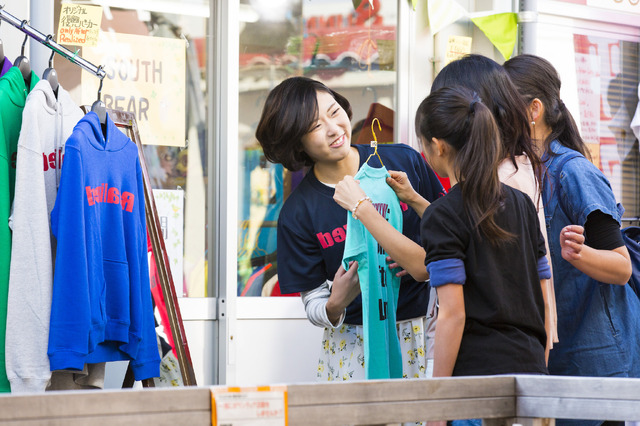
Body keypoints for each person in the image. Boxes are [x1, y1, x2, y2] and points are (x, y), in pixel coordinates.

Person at [335, 85, 550, 426]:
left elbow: (453, 315)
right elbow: (544, 291)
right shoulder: (520, 203)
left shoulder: (446, 214)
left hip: (475, 382)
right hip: (530, 370)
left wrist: (438, 401)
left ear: (437, 146)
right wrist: (416, 199)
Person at [254, 76, 444, 381]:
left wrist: (428, 259)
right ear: (296, 141)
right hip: (353, 345)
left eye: (333, 112)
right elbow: (314, 304)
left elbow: (452, 236)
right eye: (314, 127)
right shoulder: (298, 212)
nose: (333, 129)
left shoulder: (402, 162)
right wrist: (335, 301)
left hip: (422, 333)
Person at [504, 54, 639, 425]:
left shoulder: (571, 172)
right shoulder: (520, 171)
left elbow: (621, 266)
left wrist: (578, 254)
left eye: (501, 105)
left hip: (597, 364)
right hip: (554, 361)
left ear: (534, 109)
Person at [429, 54, 557, 360]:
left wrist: (366, 211)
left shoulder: (503, 181)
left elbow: (491, 270)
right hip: (521, 354)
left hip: (488, 357)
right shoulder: (509, 171)